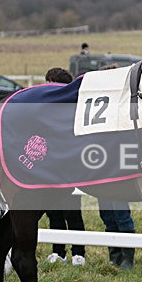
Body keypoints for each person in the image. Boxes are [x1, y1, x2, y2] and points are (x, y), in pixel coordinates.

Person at [43, 67, 87, 266]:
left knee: (72, 213)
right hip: (51, 168)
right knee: (54, 212)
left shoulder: (72, 109)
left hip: (69, 167)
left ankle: (79, 254)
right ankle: (58, 252)